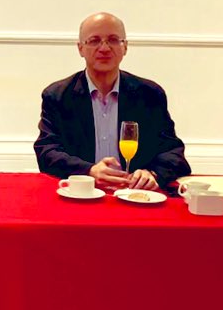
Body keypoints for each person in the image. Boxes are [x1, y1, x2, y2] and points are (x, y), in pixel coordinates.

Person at [34, 12, 190, 189]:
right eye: (94, 40)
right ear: (80, 48)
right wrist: (89, 171)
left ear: (125, 47)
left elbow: (173, 152)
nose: (104, 48)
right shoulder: (58, 96)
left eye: (113, 40)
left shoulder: (149, 95)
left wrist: (153, 174)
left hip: (135, 194)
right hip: (83, 193)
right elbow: (47, 152)